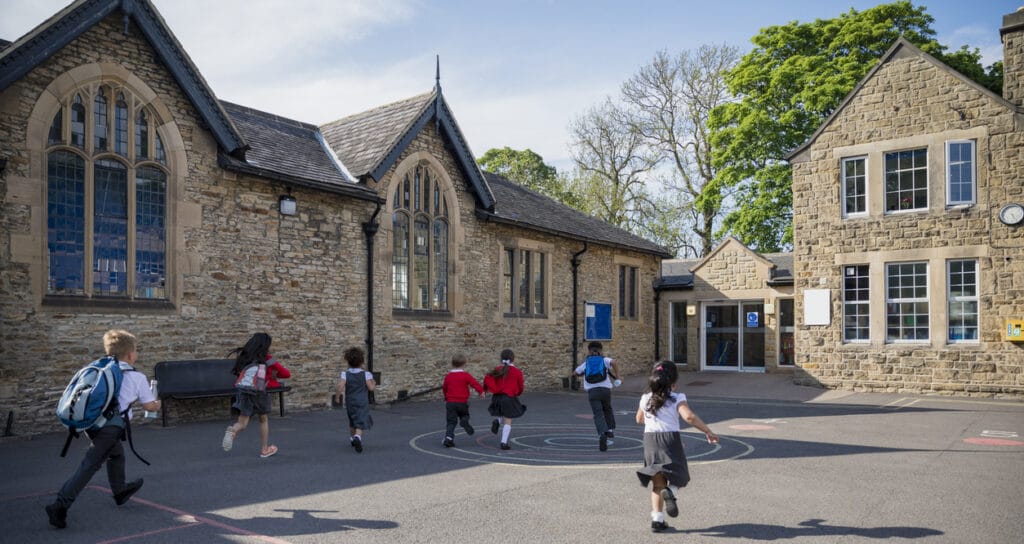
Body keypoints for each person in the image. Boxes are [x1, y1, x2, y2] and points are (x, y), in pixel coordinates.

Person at [46, 329, 160, 529]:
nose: (137, 354)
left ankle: (120, 491)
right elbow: (149, 406)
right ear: (131, 354)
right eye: (137, 351)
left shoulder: (98, 369)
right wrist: (157, 404)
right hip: (111, 427)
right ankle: (59, 506)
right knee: (90, 464)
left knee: (116, 454)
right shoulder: (137, 377)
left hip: (93, 423)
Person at [635, 361, 718, 533]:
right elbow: (689, 417)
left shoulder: (645, 398)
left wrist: (652, 418)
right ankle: (671, 491)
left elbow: (639, 419)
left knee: (657, 483)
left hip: (650, 440)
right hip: (670, 439)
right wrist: (707, 431)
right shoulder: (677, 398)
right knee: (680, 475)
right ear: (673, 383)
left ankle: (657, 520)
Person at [222, 332, 279, 458]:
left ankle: (232, 430)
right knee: (263, 419)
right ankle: (265, 449)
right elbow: (283, 373)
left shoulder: (245, 358)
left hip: (243, 391)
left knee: (242, 423)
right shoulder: (265, 360)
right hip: (257, 392)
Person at [573, 341, 621, 451]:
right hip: (605, 390)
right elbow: (613, 362)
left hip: (592, 392)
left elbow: (574, 372)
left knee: (598, 414)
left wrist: (581, 374)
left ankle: (602, 433)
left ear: (589, 350)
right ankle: (610, 429)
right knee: (607, 409)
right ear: (601, 350)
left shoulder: (586, 363)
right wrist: (618, 376)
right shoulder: (604, 360)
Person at [483, 348, 526, 450]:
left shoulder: (497, 369)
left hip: (497, 397)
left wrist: (486, 389)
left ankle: (497, 420)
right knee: (508, 419)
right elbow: (520, 386)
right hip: (509, 397)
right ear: (513, 359)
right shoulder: (517, 372)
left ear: (501, 358)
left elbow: (487, 378)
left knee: (501, 411)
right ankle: (504, 442)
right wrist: (518, 393)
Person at [336, 346, 376, 453]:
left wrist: (337, 397)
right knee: (361, 420)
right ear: (361, 361)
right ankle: (358, 437)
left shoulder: (345, 374)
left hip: (350, 401)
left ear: (348, 361)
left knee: (352, 420)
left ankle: (352, 438)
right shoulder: (366, 374)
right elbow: (371, 388)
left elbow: (340, 386)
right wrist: (373, 382)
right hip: (362, 401)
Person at [441, 353, 484, 447]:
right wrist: (481, 391)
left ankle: (448, 438)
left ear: (452, 364)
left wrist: (446, 397)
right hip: (462, 402)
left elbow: (444, 388)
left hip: (451, 403)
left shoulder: (448, 376)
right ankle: (464, 420)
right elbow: (474, 383)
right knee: (464, 414)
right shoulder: (466, 375)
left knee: (451, 422)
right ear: (464, 364)